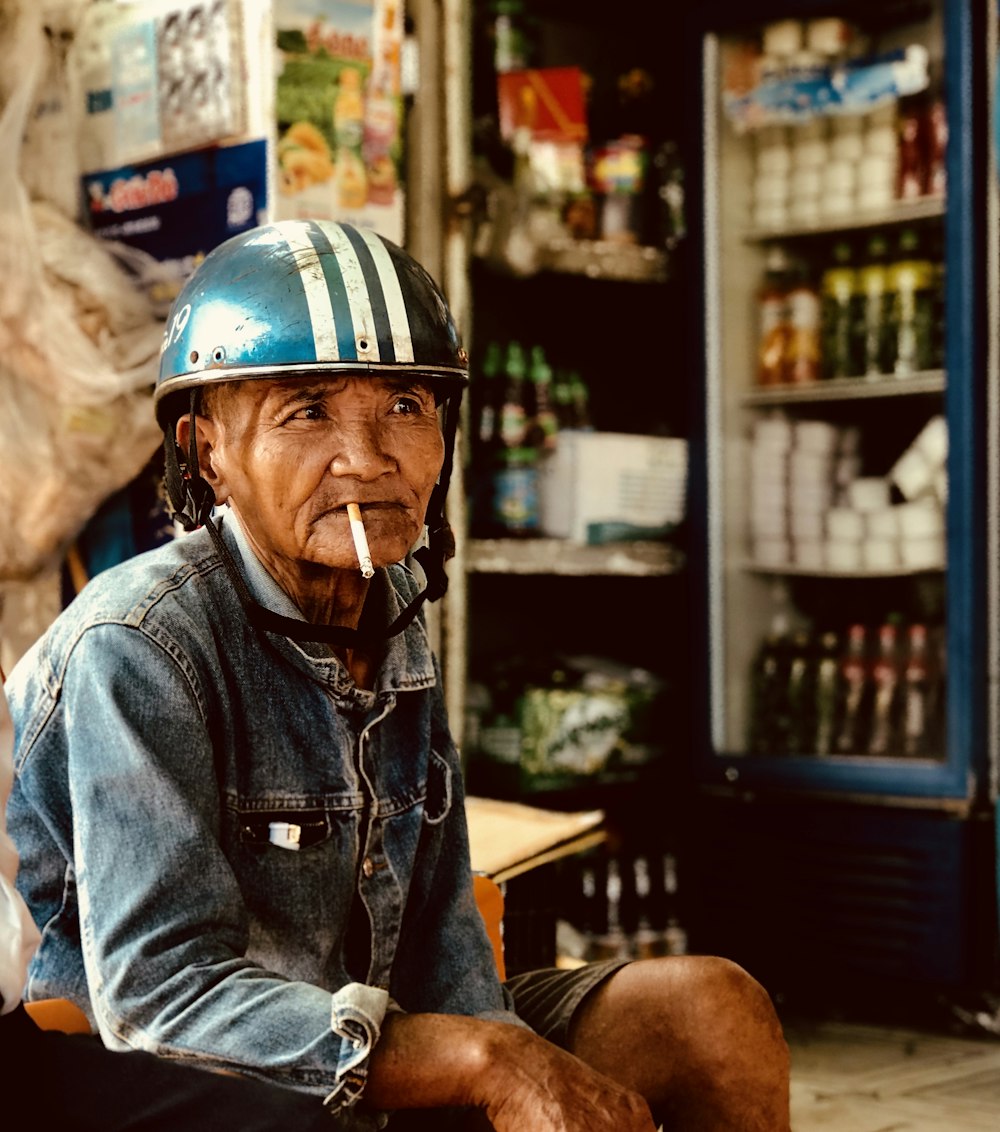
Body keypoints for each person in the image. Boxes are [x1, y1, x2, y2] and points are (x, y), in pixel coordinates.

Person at [6, 218, 790, 1130]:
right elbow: (159, 995)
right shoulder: (140, 641)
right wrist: (480, 1062)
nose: (369, 458)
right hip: (155, 1072)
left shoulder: (392, 601)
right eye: (308, 412)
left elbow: (440, 938)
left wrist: (495, 1059)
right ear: (207, 450)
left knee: (710, 1014)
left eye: (407, 408)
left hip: (362, 1035)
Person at [1, 668, 360, 1131]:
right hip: (41, 1039)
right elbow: (151, 981)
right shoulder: (121, 648)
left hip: (20, 1050)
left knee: (290, 1123)